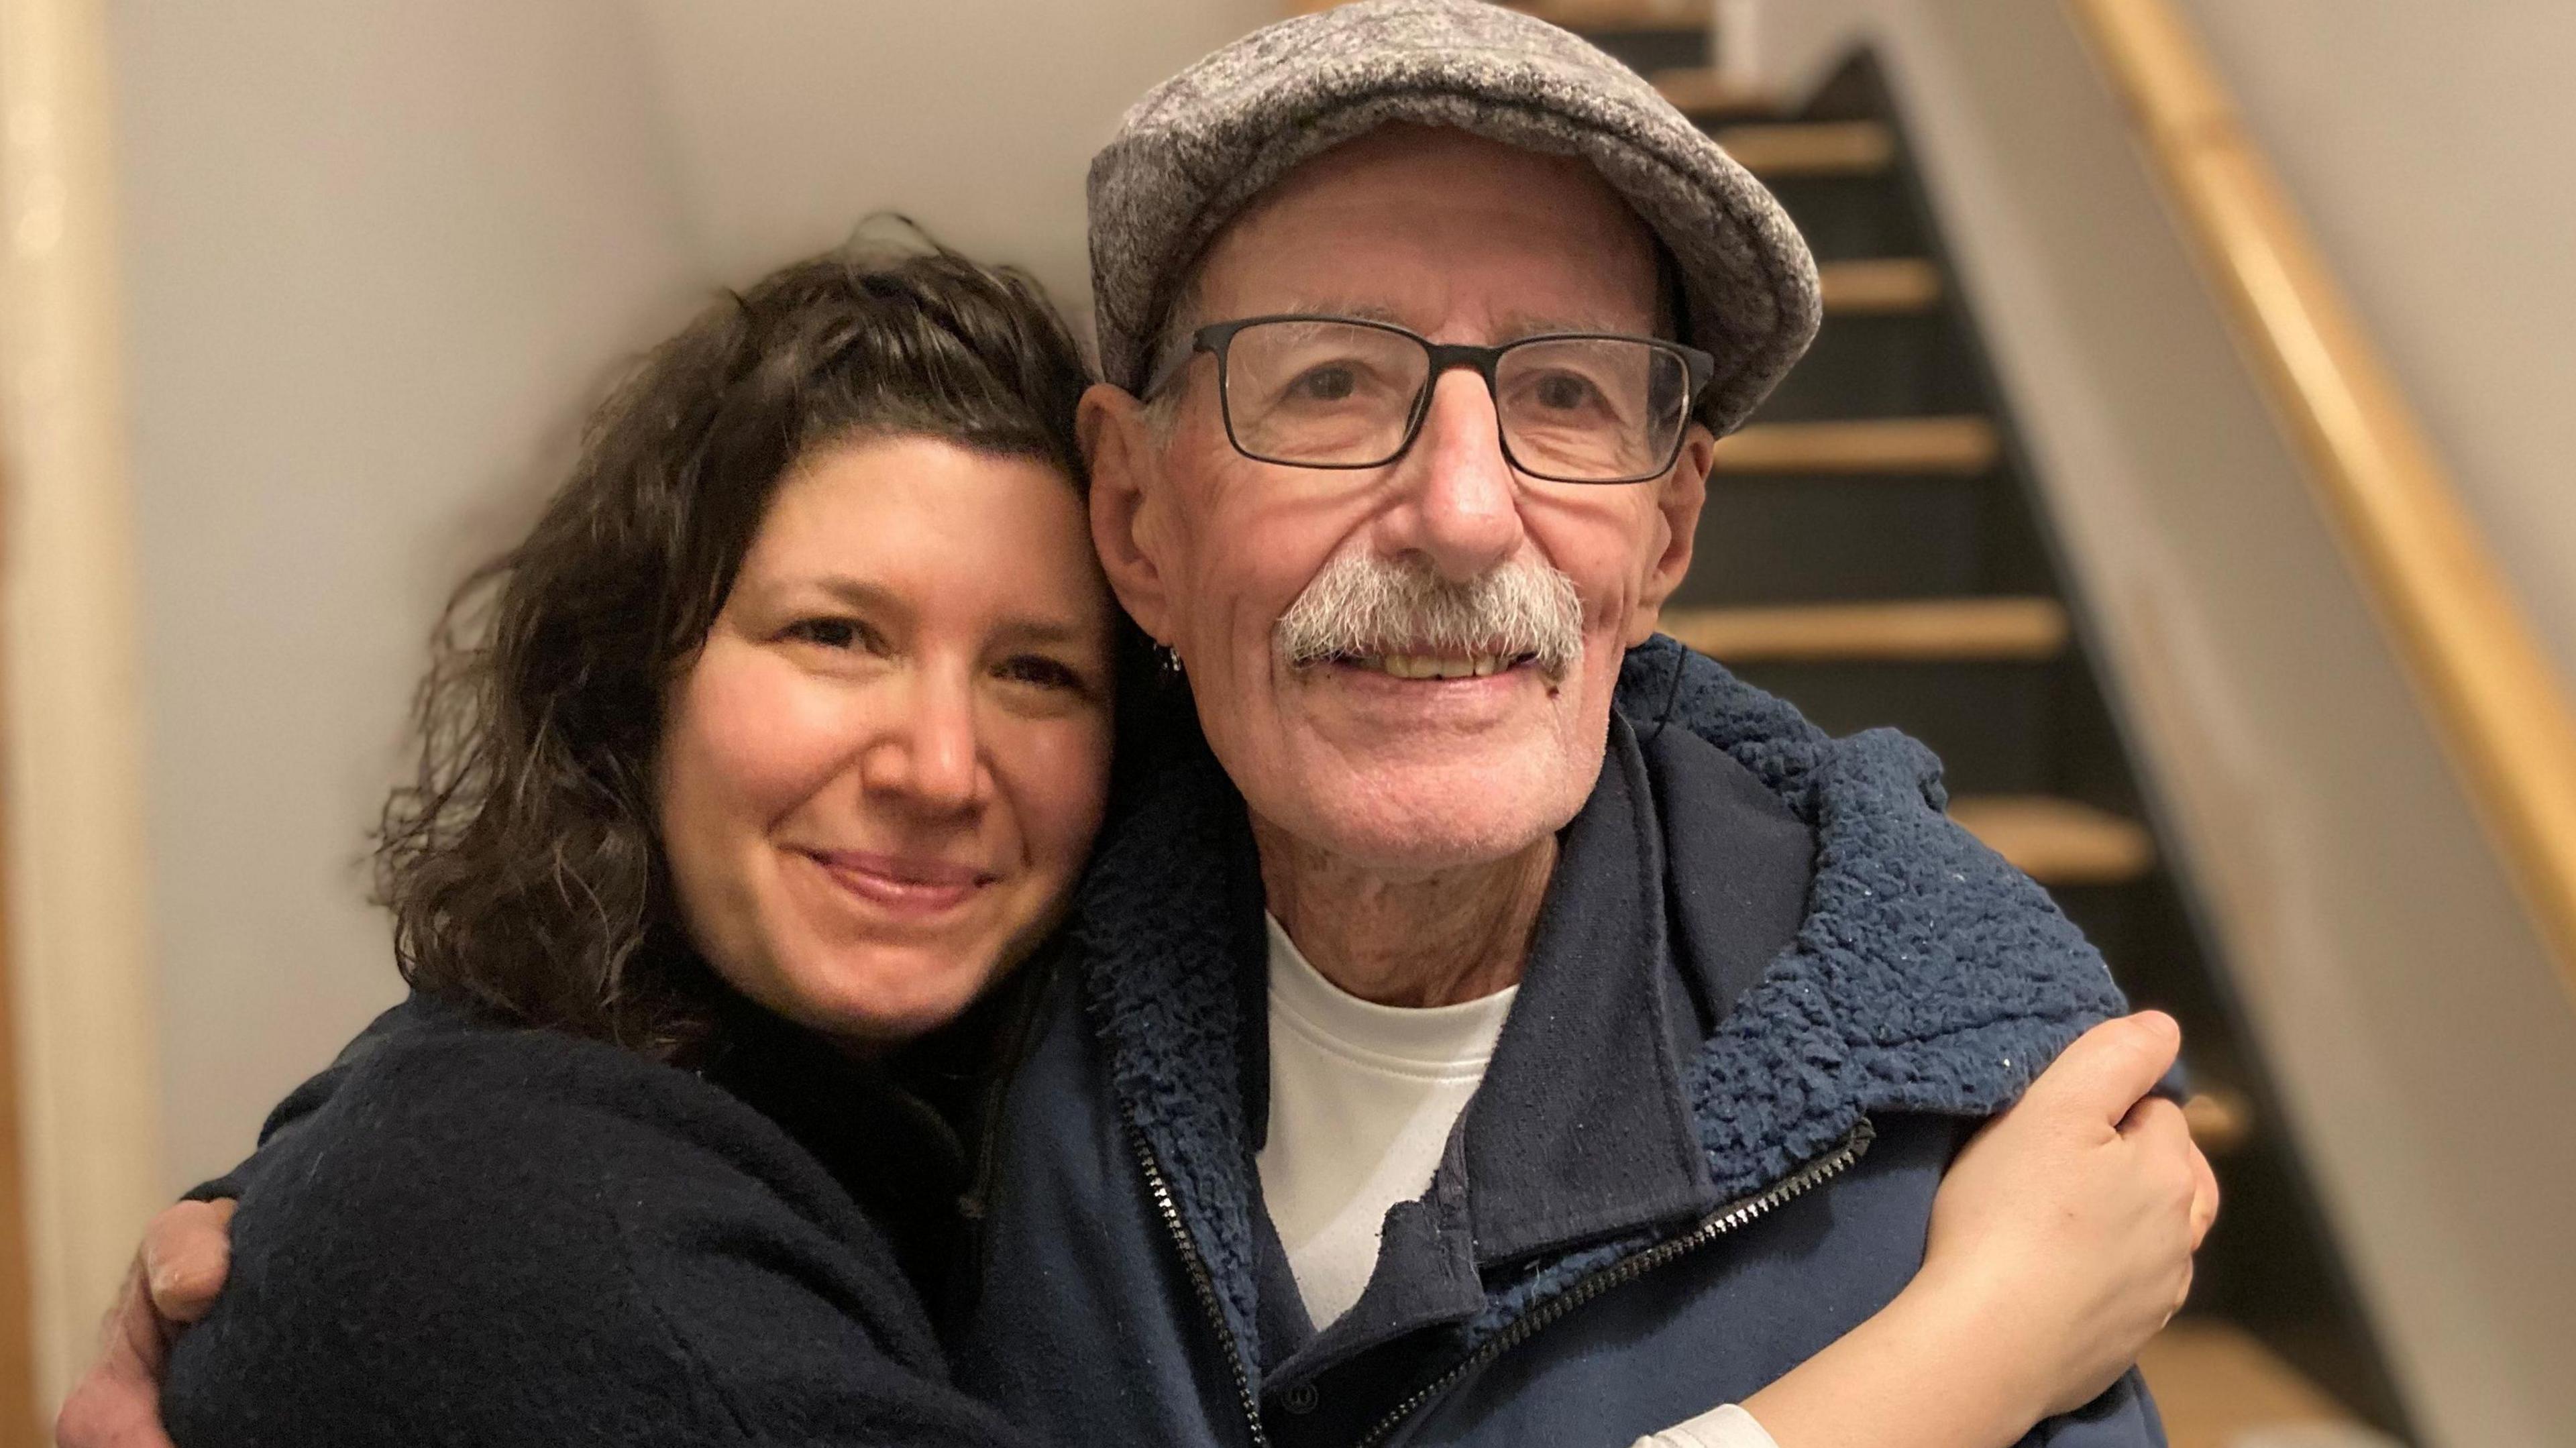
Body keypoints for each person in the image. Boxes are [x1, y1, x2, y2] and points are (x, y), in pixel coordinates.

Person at [59, 4, 2217, 1446]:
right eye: (1327, 380)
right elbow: (556, 1082)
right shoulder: (1041, 988)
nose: (1462, 512)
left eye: (1563, 394)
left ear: (1667, 527)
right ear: (1145, 518)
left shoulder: (1961, 1140)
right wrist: (295, 1219)